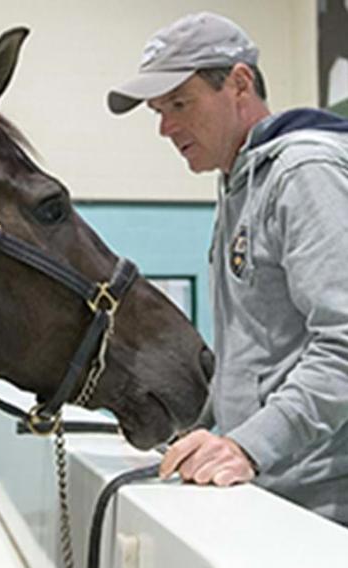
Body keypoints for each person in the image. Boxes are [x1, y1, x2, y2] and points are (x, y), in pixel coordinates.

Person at [108, 11, 348, 525]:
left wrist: (249, 447)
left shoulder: (304, 173)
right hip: (270, 493)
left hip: (321, 513)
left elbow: (344, 343)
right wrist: (199, 434)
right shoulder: (240, 181)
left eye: (179, 103)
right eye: (158, 109)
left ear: (239, 83)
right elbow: (257, 354)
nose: (166, 127)